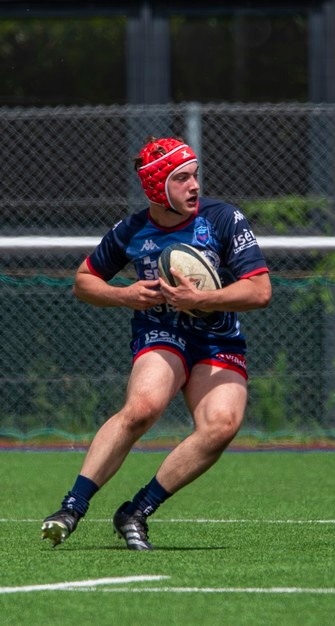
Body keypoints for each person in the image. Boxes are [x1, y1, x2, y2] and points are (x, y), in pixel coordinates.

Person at [40, 136, 271, 550]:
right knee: (143, 408)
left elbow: (260, 292)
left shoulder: (223, 219)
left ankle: (137, 510)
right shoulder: (131, 230)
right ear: (156, 188)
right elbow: (83, 282)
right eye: (181, 179)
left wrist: (201, 300)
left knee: (221, 426)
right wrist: (125, 295)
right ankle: (72, 507)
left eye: (195, 175)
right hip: (161, 332)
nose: (194, 186)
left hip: (218, 338)